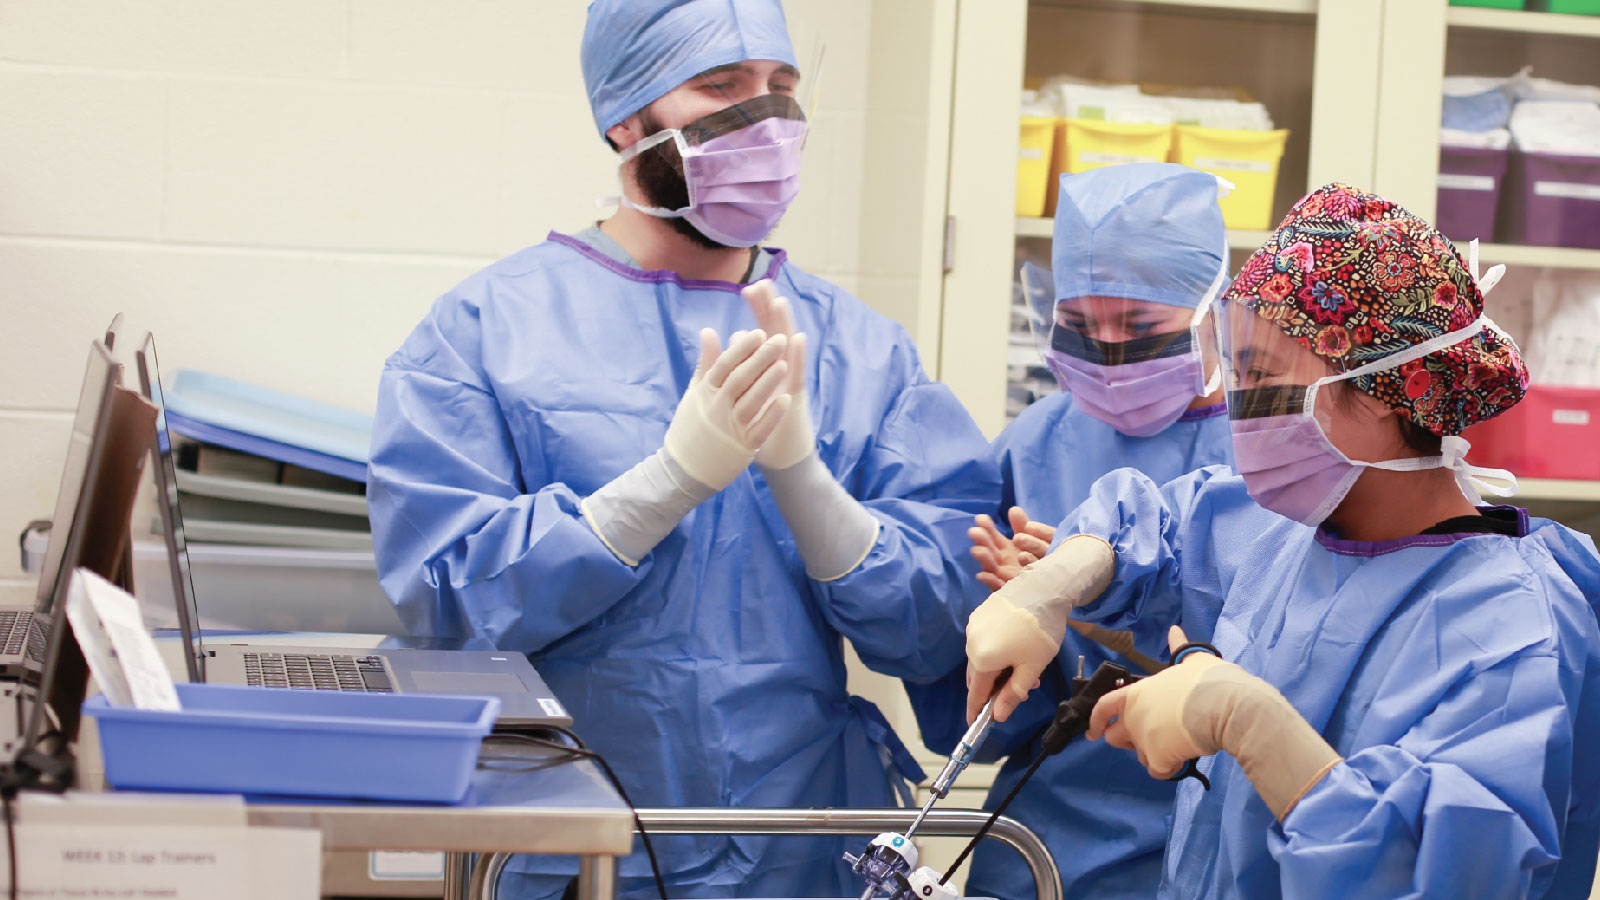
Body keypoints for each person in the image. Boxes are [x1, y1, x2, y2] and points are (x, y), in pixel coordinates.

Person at [365, 2, 999, 897]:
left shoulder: (862, 351)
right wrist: (659, 490)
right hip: (567, 854)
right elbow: (446, 606)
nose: (766, 120)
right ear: (626, 119)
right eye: (721, 88)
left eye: (782, 88)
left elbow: (949, 624)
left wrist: (807, 490)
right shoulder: (484, 331)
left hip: (799, 842)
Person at [963, 183, 1600, 899]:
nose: (1235, 402)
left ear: (1385, 394)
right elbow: (1166, 525)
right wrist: (1056, 583)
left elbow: (1444, 873)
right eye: (1235, 369)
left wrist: (1250, 723)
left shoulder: (1509, 632)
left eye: (1260, 376)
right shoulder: (1299, 533)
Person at [904, 163, 1242, 900]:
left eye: (1141, 327)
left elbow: (1290, 641)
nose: (1111, 355)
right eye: (1082, 328)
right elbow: (982, 719)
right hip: (1055, 836)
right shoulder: (1035, 442)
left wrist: (1099, 588)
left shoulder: (1268, 443)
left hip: (1225, 824)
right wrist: (1012, 608)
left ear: (1213, 307)